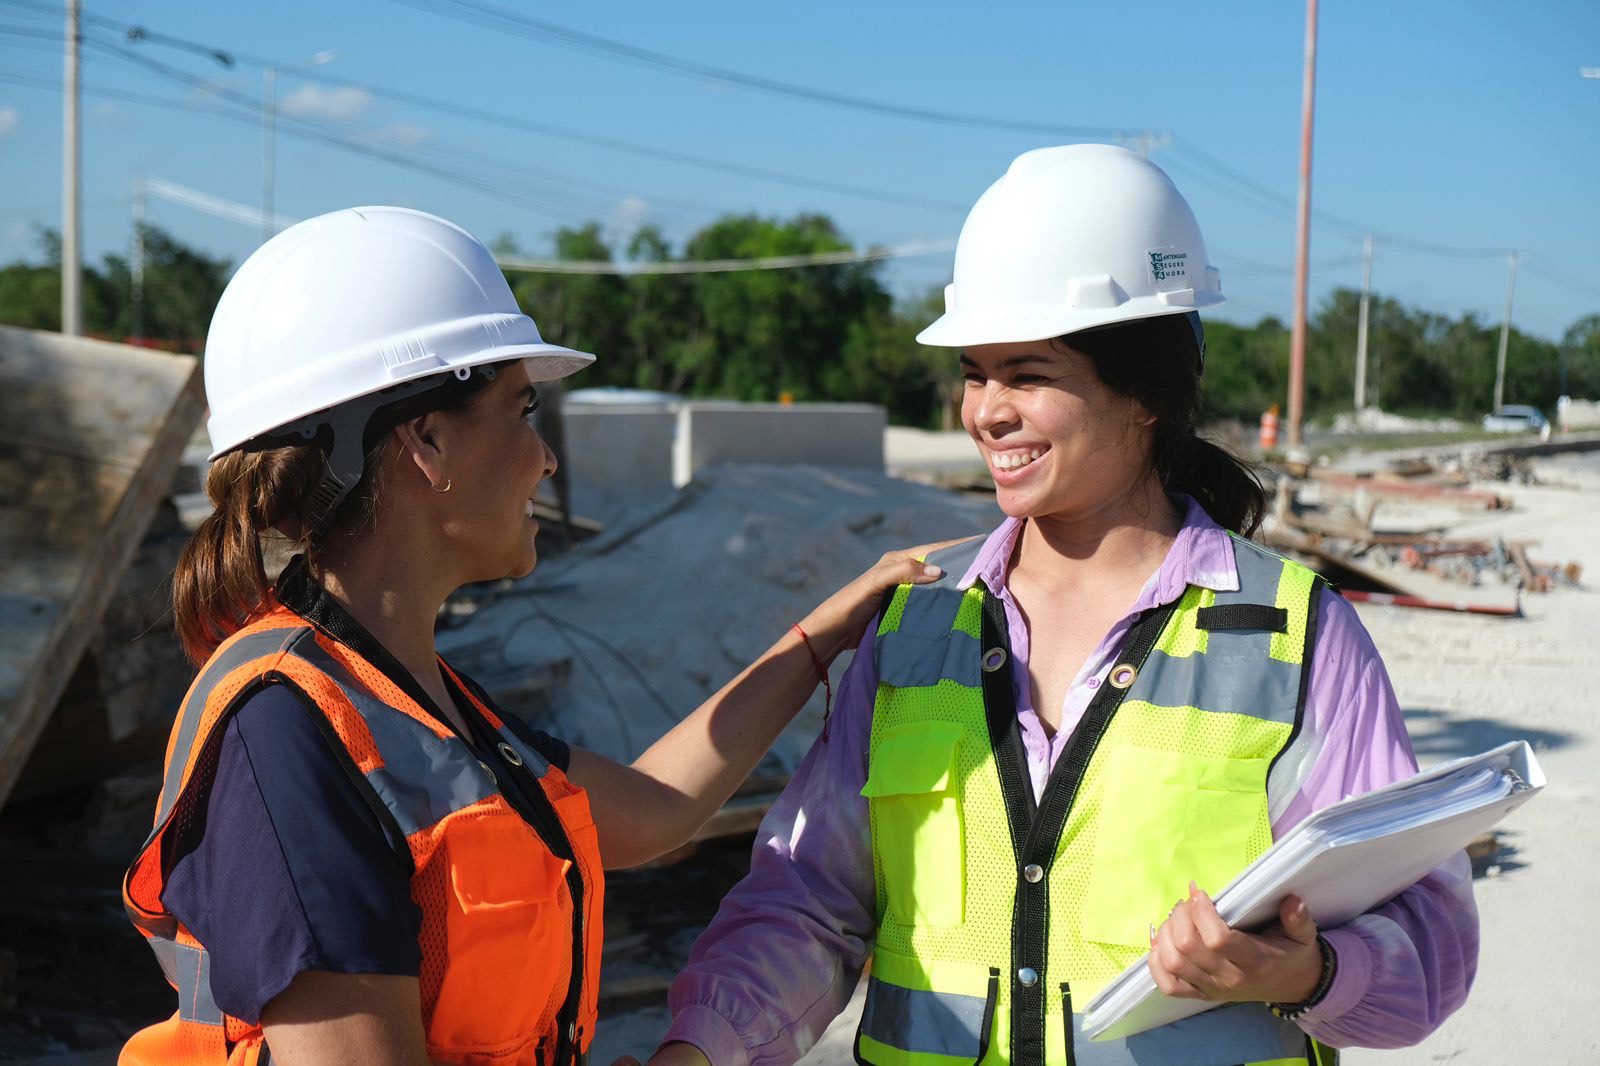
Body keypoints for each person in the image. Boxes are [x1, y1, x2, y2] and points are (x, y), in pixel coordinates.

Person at [651, 145, 1479, 1066]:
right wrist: (700, 1050)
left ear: (1144, 394)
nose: (986, 412)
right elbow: (811, 900)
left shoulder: (1295, 638)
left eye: (1028, 373)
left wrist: (1307, 972)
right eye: (975, 371)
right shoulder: (919, 624)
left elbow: (1428, 952)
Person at [118, 206, 948, 1066]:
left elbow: (657, 811)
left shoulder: (407, 699)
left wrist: (832, 626)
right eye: (522, 412)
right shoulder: (288, 735)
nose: (545, 459)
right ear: (428, 442)